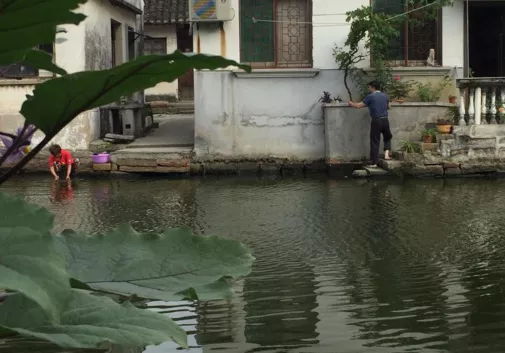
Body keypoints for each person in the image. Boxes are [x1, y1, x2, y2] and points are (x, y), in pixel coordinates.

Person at [348, 80, 393, 167]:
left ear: (373, 87)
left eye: (369, 87)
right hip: (385, 120)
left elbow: (358, 106)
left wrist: (350, 103)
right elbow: (389, 107)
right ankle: (387, 155)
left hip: (376, 120)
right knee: (387, 137)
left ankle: (374, 162)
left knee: (375, 141)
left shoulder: (370, 97)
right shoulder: (385, 96)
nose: (368, 89)